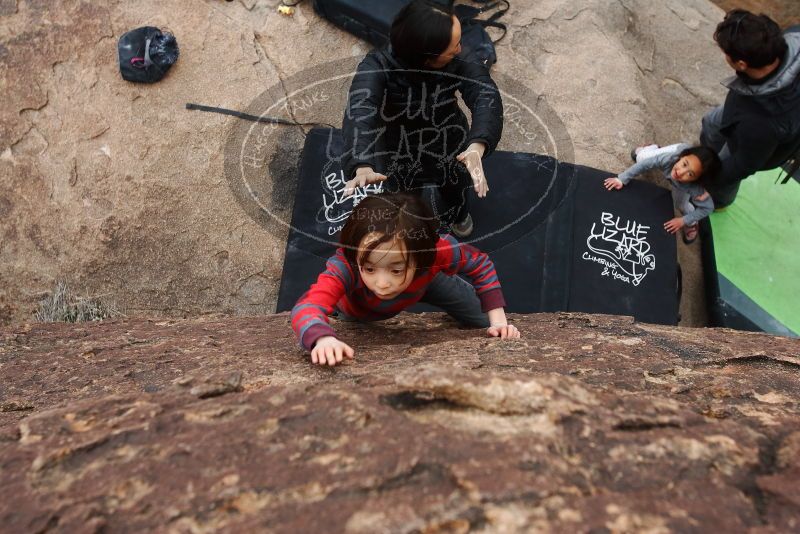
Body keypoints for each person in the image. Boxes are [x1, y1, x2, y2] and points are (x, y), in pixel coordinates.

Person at [291, 192, 520, 366]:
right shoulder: (346, 266)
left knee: (484, 320)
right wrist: (321, 338)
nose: (382, 283)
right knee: (343, 321)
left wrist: (498, 320)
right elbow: (307, 306)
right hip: (359, 306)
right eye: (370, 269)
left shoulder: (435, 252)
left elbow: (479, 262)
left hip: (425, 281)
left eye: (395, 270)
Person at [338, 0, 503, 238]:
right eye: (453, 46)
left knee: (454, 186)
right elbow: (360, 110)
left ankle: (457, 215)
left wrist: (477, 145)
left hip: (449, 141)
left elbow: (484, 94)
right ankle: (410, 223)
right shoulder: (377, 66)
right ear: (428, 58)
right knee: (404, 195)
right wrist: (362, 162)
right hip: (397, 148)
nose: (460, 49)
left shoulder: (460, 56)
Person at [700, 9, 800, 208]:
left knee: (725, 168)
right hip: (745, 106)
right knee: (711, 123)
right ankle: (704, 159)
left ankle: (718, 200)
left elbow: (743, 165)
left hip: (753, 140)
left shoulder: (762, 123)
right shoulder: (794, 37)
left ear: (742, 64)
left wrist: (710, 180)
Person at [604, 144, 720, 244]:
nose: (680, 172)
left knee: (681, 205)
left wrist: (684, 220)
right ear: (682, 157)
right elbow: (645, 165)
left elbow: (708, 208)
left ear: (696, 181)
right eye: (684, 164)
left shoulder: (696, 189)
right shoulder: (669, 159)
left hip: (681, 185)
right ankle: (652, 148)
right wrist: (622, 179)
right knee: (641, 158)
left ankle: (693, 223)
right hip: (675, 151)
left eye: (690, 174)